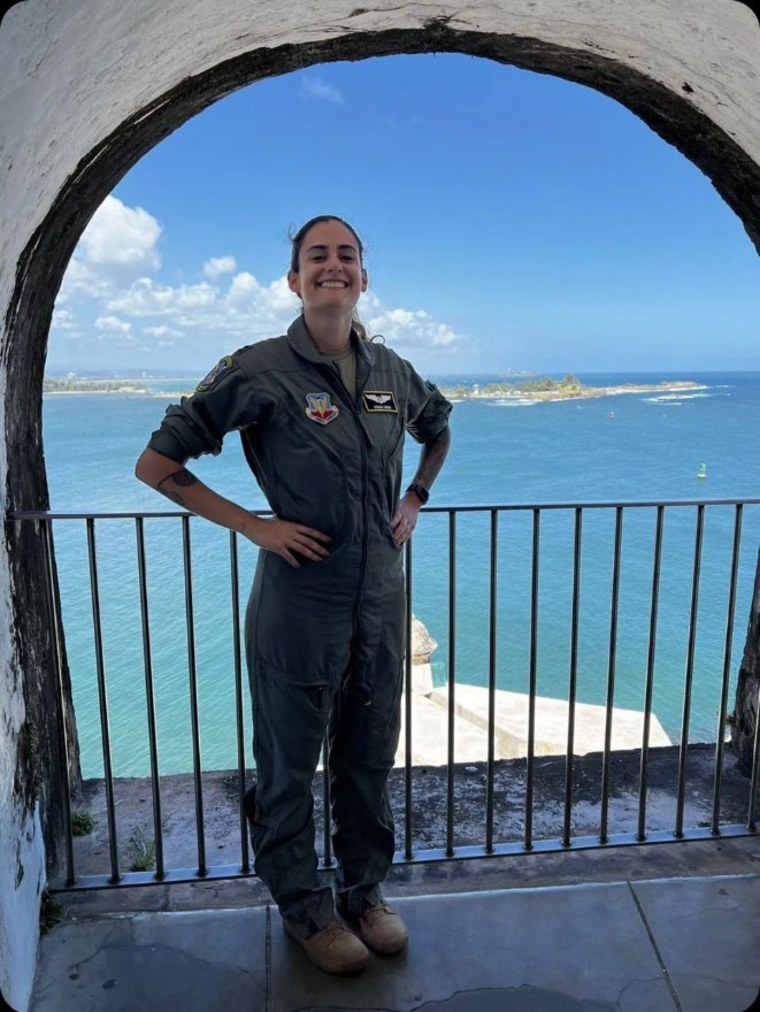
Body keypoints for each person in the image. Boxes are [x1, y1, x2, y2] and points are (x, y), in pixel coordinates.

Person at [135, 215, 452, 975]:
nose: (333, 266)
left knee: (369, 761)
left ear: (364, 278)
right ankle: (305, 909)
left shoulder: (392, 372)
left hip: (379, 604)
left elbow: (439, 428)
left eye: (347, 256)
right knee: (288, 768)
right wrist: (253, 525)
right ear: (295, 279)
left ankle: (364, 895)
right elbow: (156, 463)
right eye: (318, 256)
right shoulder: (258, 368)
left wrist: (416, 496)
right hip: (299, 608)